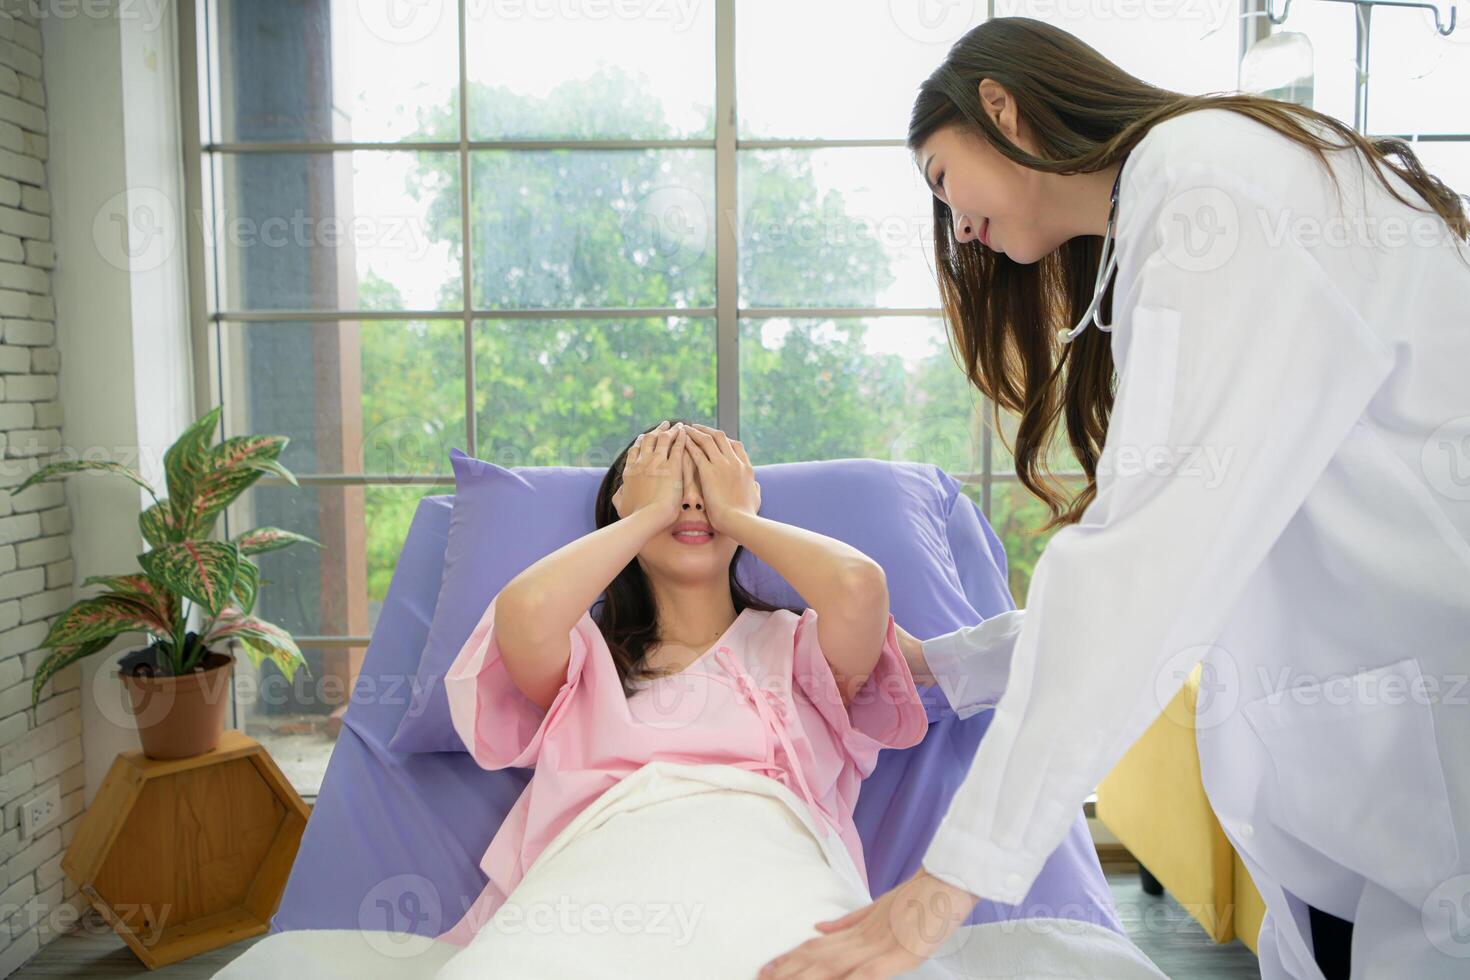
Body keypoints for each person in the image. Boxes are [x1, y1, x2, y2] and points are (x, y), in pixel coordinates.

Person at [759, 16, 1470, 980]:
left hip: (1424, 759)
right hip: (1367, 788)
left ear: (999, 106)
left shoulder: (1210, 183)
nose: (957, 223)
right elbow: (1187, 532)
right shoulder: (1191, 196)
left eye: (940, 179)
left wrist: (944, 888)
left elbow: (1148, 559)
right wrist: (943, 668)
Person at [432, 419, 931, 977]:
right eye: (669, 483)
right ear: (623, 510)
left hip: (771, 871)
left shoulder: (798, 649)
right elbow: (523, 610)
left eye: (708, 483)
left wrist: (738, 516)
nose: (692, 501)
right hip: (597, 877)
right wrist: (647, 516)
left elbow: (859, 586)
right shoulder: (584, 659)